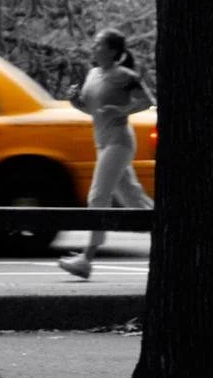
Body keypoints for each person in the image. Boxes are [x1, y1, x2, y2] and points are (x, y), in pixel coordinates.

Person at [58, 27, 154, 280]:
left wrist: (122, 111)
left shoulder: (124, 75)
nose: (93, 47)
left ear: (112, 51)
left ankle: (86, 259)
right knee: (135, 200)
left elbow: (146, 102)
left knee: (97, 196)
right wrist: (77, 103)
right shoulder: (92, 74)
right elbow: (95, 111)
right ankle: (169, 239)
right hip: (103, 142)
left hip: (119, 142)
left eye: (99, 44)